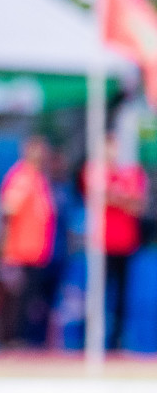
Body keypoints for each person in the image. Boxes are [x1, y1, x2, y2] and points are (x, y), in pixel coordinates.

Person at [85, 132, 149, 349]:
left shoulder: (131, 173)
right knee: (98, 293)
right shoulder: (95, 170)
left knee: (121, 294)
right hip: (101, 244)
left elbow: (138, 205)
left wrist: (115, 197)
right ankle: (92, 338)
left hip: (125, 243)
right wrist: (121, 198)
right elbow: (97, 196)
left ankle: (117, 340)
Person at [0, 135, 57, 347]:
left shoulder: (39, 177)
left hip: (38, 250)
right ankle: (15, 341)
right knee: (19, 299)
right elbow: (8, 208)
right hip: (21, 250)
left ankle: (27, 340)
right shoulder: (22, 176)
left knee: (33, 299)